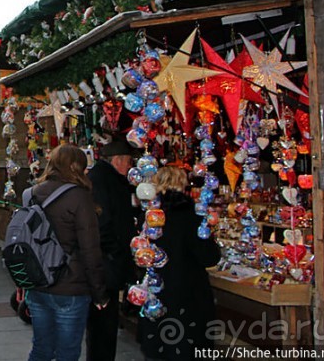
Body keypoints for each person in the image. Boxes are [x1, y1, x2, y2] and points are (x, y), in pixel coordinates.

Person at [25, 143, 109, 361]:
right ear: (74, 167)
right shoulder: (79, 197)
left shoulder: (31, 194)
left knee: (41, 349)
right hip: (70, 287)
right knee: (67, 352)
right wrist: (99, 293)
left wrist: (21, 282)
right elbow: (90, 250)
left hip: (37, 283)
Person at [138, 166, 221, 360]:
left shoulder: (149, 216)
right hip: (189, 295)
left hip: (157, 295)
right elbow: (209, 257)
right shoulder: (193, 216)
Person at [86, 138, 140, 361]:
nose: (130, 166)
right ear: (117, 160)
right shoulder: (103, 181)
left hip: (106, 261)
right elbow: (103, 222)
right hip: (105, 263)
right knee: (103, 321)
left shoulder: (105, 179)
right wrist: (115, 251)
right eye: (128, 161)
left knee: (105, 322)